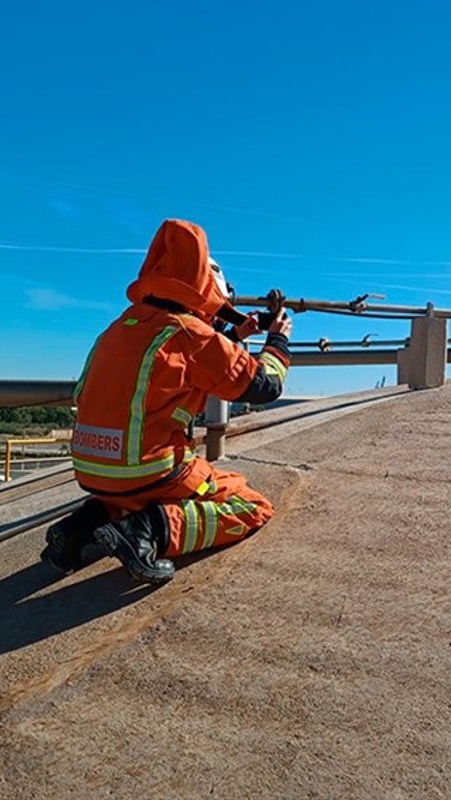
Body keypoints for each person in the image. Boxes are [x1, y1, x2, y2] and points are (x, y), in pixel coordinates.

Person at [41, 218, 293, 584]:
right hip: (149, 470)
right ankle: (149, 532)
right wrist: (278, 341)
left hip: (91, 469)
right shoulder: (191, 334)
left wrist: (235, 335)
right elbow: (264, 385)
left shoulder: (118, 328)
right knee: (250, 505)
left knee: (127, 497)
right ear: (208, 291)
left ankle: (76, 530)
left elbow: (181, 360)